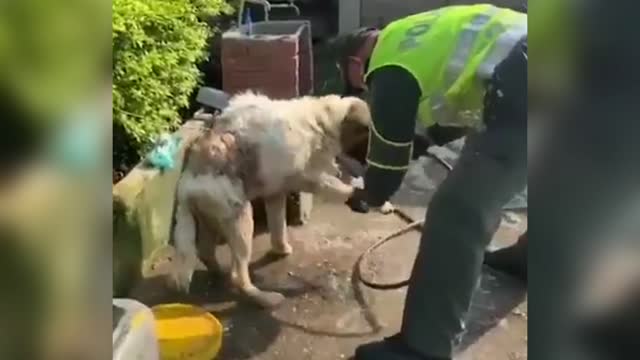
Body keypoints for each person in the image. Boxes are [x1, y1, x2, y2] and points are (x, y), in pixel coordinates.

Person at [334, 4, 527, 360]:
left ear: (355, 64)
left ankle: (423, 348)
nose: (364, 90)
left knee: (459, 213)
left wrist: (370, 194)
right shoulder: (412, 33)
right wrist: (419, 144)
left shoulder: (388, 66)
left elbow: (388, 162)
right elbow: (458, 110)